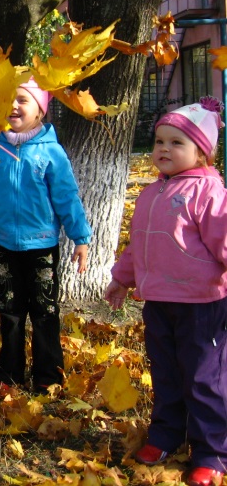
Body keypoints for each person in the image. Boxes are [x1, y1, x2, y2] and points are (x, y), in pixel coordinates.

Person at [104, 97, 227, 486]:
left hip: (202, 306)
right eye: (159, 141)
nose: (164, 149)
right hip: (159, 304)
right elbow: (137, 243)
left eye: (177, 143)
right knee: (167, 374)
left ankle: (211, 452)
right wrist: (121, 278)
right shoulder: (151, 194)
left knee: (204, 379)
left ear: (202, 152)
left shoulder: (209, 194)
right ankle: (165, 435)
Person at [0, 78, 91, 393]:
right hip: (3, 244)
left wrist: (80, 238)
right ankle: (9, 371)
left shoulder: (52, 152)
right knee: (9, 311)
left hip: (42, 246)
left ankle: (48, 375)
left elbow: (67, 197)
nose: (13, 106)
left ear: (40, 108)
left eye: (22, 99)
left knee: (44, 311)